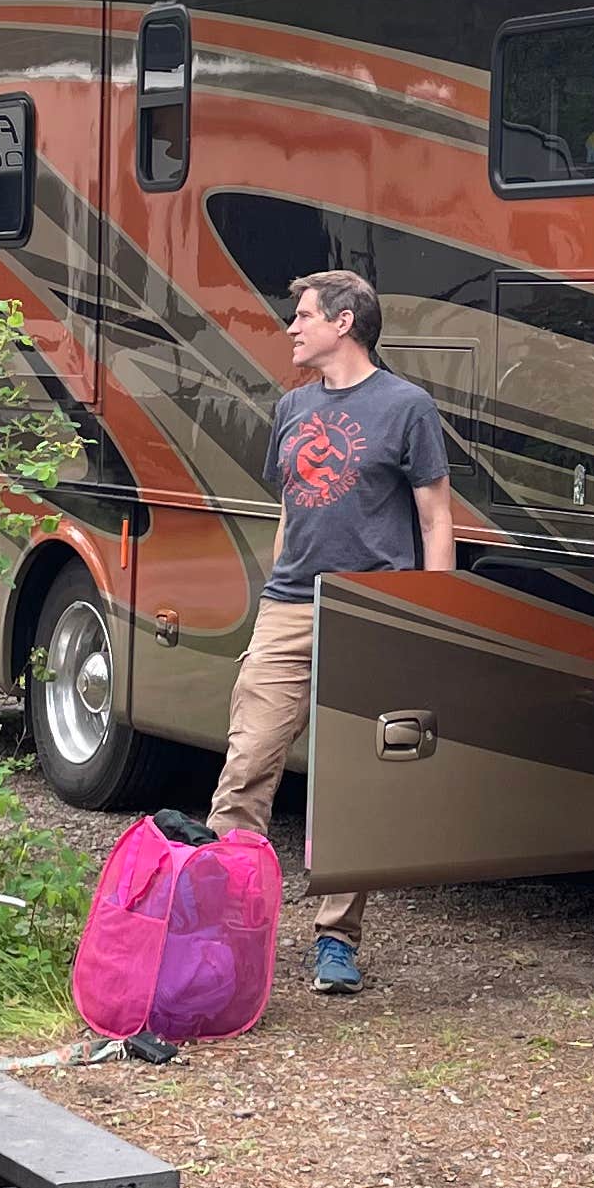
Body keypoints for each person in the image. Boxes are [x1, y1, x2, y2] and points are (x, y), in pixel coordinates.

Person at [209, 270, 452, 996]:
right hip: (289, 604)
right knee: (248, 761)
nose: (292, 327)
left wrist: (429, 620)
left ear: (345, 323)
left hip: (368, 608)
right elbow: (292, 507)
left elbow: (437, 518)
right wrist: (276, 584)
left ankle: (336, 941)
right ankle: (221, 928)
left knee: (348, 784)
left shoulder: (407, 407)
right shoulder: (291, 408)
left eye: (304, 316)